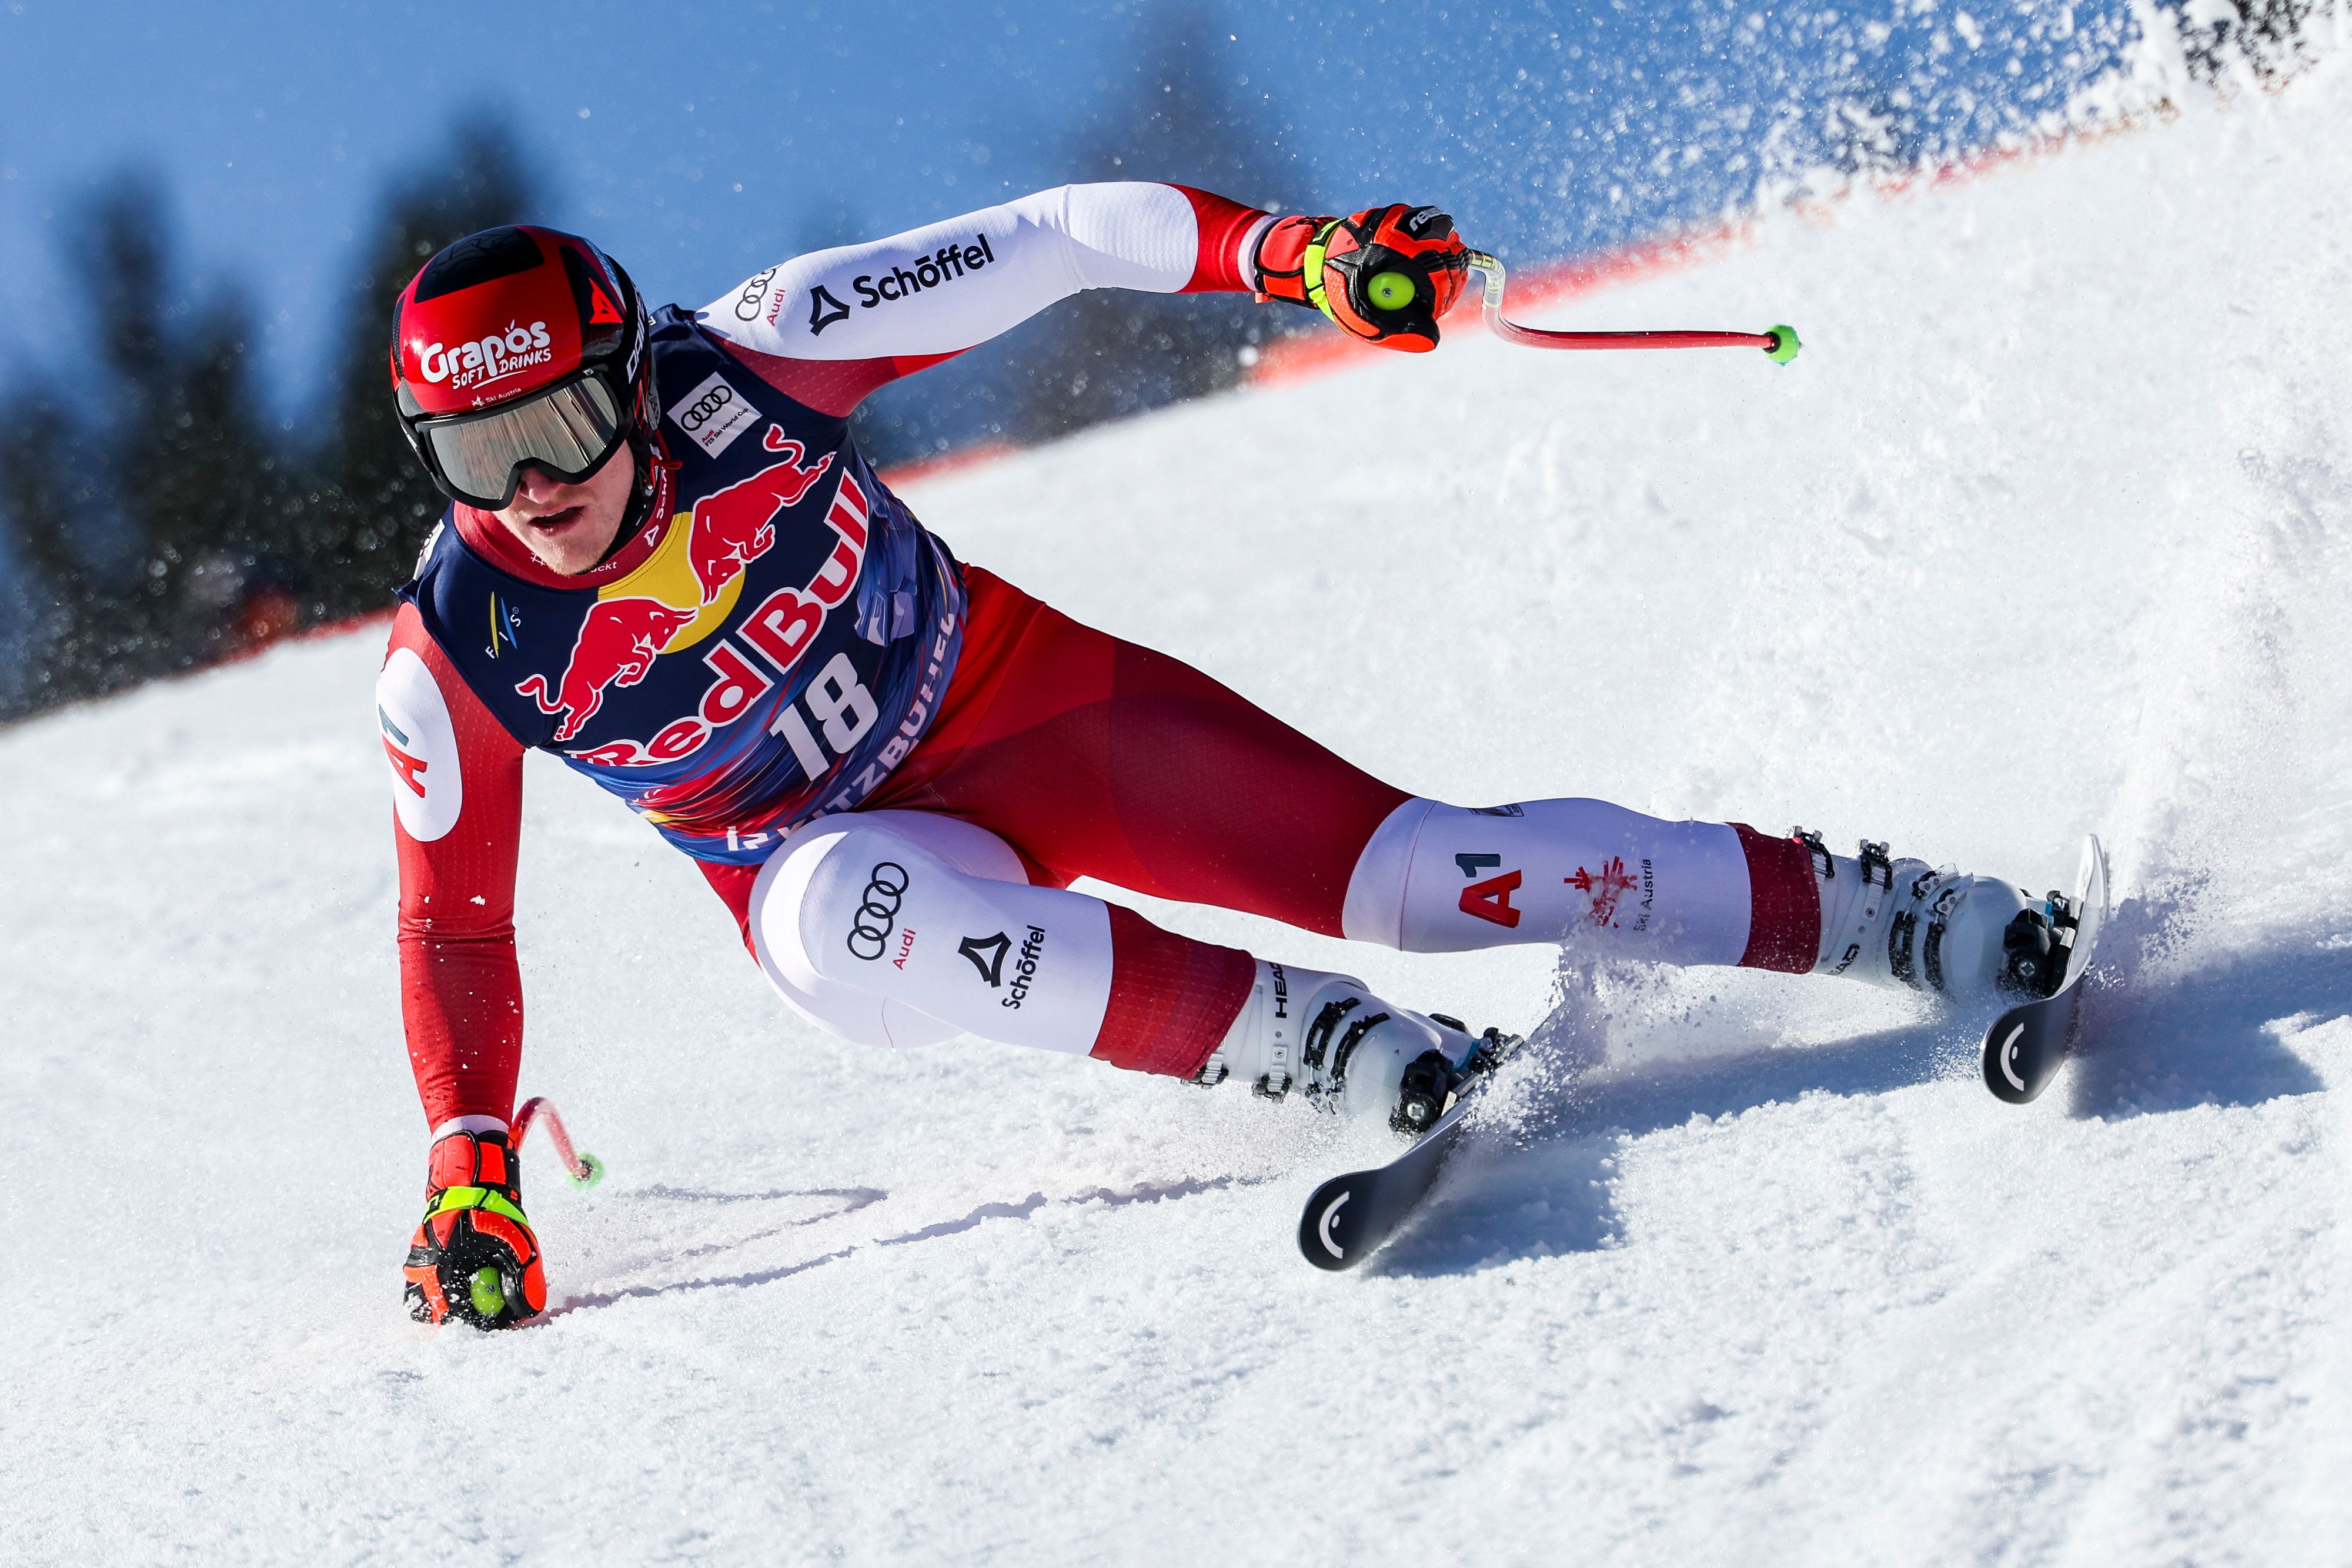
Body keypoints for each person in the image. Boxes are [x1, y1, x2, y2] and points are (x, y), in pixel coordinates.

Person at [379, 185, 2062, 1329]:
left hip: (1028, 708)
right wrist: (467, 1165)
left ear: (625, 375)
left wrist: (1298, 259)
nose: (532, 484)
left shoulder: (752, 356)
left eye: (561, 425)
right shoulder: (455, 648)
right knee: (840, 910)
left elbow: (1057, 237)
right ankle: (1327, 1049)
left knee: (1427, 876)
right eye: (475, 448)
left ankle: (1892, 914)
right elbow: (453, 917)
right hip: (840, 874)